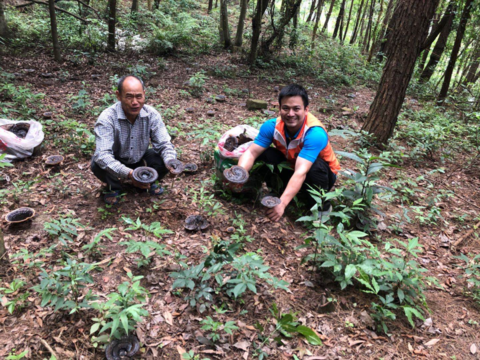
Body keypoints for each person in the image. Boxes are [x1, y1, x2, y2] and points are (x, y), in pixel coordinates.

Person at [237, 84, 340, 222]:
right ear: (279, 109)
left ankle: (322, 208)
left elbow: (301, 172)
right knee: (266, 153)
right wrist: (239, 174)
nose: (290, 114)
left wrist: (282, 204)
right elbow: (251, 153)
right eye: (286, 108)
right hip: (292, 166)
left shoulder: (315, 133)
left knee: (315, 167)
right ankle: (275, 189)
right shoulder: (271, 126)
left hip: (320, 174)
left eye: (296, 108)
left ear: (306, 110)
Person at [91, 75, 178, 205]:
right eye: (129, 96)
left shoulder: (151, 114)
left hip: (140, 158)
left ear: (144, 94)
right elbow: (103, 155)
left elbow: (164, 144)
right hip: (117, 159)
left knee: (162, 158)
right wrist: (130, 174)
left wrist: (170, 161)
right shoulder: (107, 118)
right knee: (97, 163)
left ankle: (148, 180)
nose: (135, 102)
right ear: (119, 96)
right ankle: (114, 187)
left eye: (139, 96)